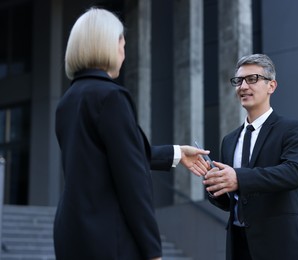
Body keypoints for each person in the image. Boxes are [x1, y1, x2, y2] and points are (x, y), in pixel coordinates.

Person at [54, 7, 208, 260]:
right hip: (108, 238)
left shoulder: (68, 100)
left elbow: (107, 158)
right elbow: (132, 179)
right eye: (122, 44)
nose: (123, 54)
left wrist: (178, 153)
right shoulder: (111, 97)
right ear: (106, 45)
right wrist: (153, 250)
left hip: (72, 234)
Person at [203, 54, 298, 260]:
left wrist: (238, 178)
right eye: (239, 80)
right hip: (239, 246)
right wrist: (213, 185)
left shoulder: (291, 129)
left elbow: (294, 173)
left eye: (252, 79)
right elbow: (231, 202)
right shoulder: (229, 140)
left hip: (280, 246)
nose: (243, 86)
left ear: (271, 86)